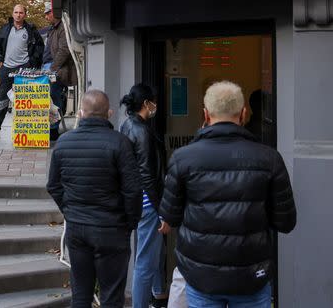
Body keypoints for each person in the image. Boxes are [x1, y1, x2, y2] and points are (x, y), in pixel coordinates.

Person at [159, 81, 296, 308]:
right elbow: (286, 221)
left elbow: (170, 218)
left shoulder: (183, 158)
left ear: (206, 114)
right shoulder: (269, 158)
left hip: (201, 276)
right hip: (252, 275)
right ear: (243, 113)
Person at [47, 89, 142, 308]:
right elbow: (133, 191)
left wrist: (69, 210)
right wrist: (130, 222)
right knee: (111, 296)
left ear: (81, 113)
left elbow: (53, 185)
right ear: (109, 113)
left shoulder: (64, 142)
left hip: (78, 228)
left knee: (80, 294)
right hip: (112, 229)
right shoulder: (120, 143)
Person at [120, 84, 167, 308]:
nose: (155, 105)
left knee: (153, 251)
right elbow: (149, 175)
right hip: (148, 203)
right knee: (146, 260)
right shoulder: (143, 131)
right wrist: (162, 209)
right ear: (146, 103)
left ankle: (159, 294)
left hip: (135, 199)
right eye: (153, 101)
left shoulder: (126, 125)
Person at [0, 4, 44, 139]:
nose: (18, 15)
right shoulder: (5, 29)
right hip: (6, 69)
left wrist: (31, 63)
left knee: (26, 101)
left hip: (24, 69)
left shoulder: (31, 30)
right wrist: (0, 62)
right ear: (12, 13)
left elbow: (40, 47)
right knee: (2, 100)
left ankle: (28, 134)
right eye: (16, 12)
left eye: (21, 12)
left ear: (25, 14)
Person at [45, 1, 76, 113]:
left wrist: (52, 68)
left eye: (48, 13)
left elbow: (64, 50)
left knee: (53, 96)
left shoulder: (62, 28)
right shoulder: (53, 29)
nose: (46, 16)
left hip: (56, 68)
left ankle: (54, 128)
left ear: (55, 12)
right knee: (49, 97)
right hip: (51, 67)